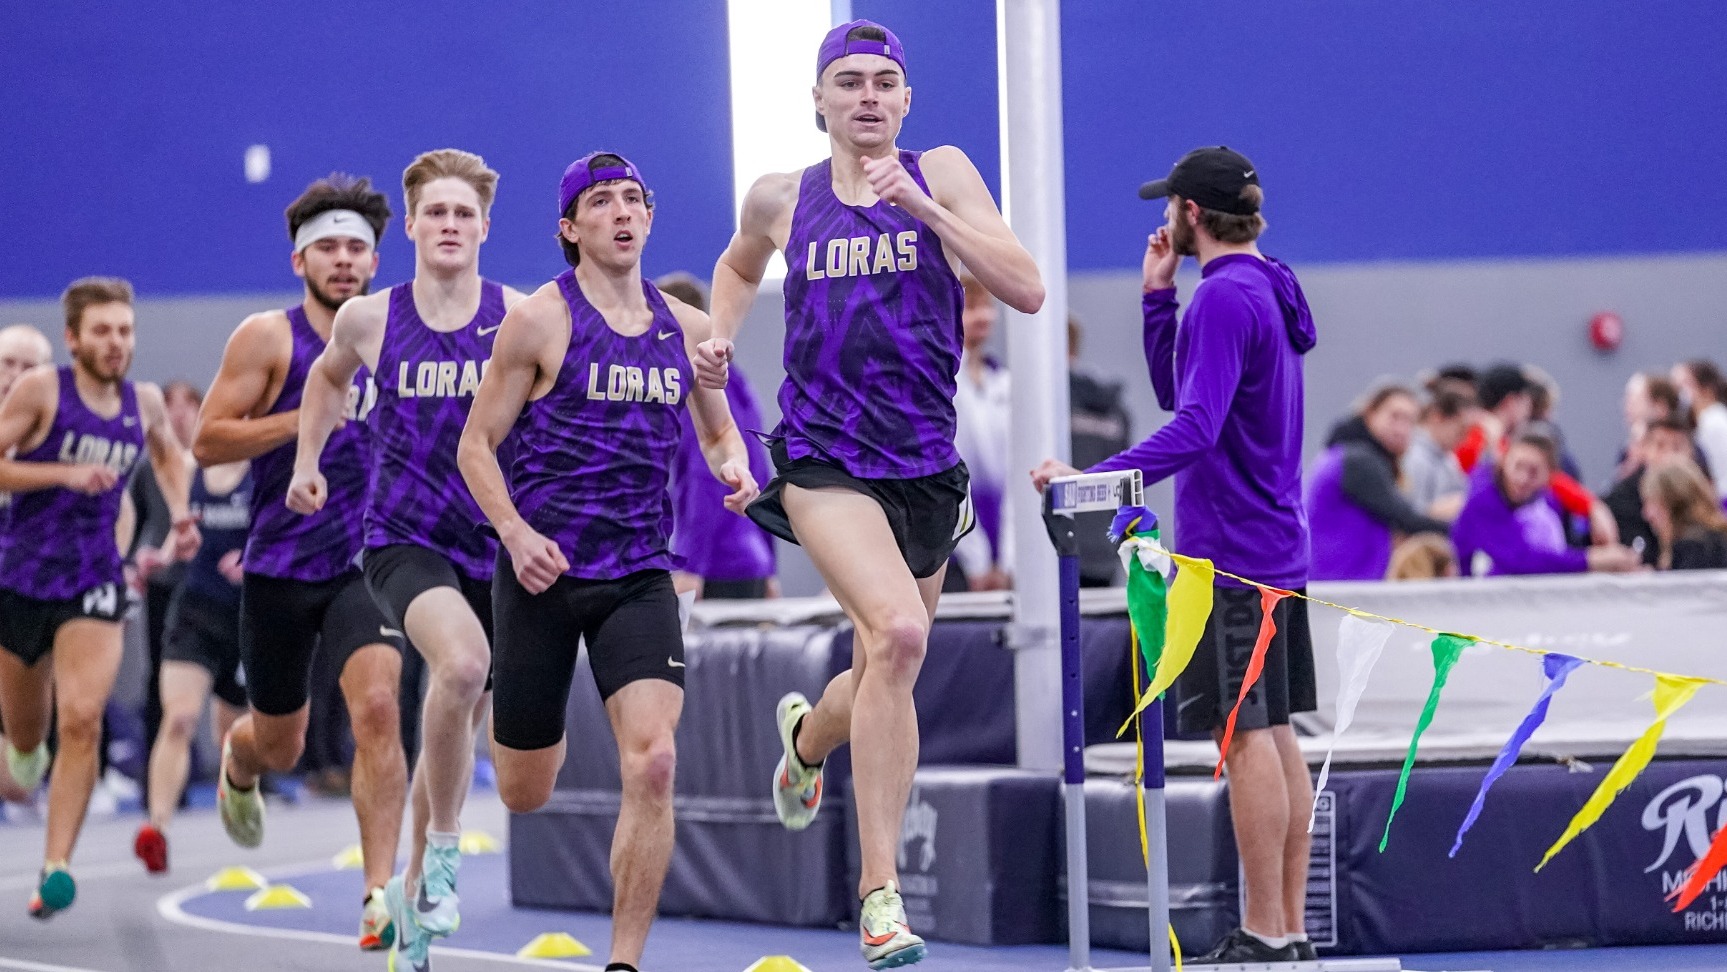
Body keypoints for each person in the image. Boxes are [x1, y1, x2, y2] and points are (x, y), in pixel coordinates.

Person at [695, 20, 1043, 969]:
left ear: (905, 100)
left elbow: (1025, 288)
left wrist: (926, 212)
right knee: (897, 634)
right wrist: (717, 345)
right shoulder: (781, 196)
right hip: (822, 462)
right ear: (818, 100)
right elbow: (734, 266)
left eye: (885, 82)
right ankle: (880, 893)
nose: (867, 97)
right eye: (847, 82)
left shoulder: (945, 173)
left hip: (922, 465)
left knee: (884, 667)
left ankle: (807, 741)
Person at [459, 152, 758, 972]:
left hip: (637, 576)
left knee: (654, 759)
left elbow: (718, 430)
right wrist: (516, 535)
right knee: (525, 791)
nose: (622, 213)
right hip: (541, 576)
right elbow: (475, 445)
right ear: (570, 227)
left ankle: (623, 961)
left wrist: (735, 469)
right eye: (601, 202)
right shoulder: (538, 322)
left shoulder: (688, 330)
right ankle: (483, 706)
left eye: (633, 199)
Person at [1034, 146, 1319, 964]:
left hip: (1230, 548)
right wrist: (1156, 297)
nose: (1161, 221)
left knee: (1244, 738)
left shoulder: (1225, 298)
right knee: (1274, 731)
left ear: (1190, 214)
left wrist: (1092, 482)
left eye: (1170, 209)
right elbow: (1184, 395)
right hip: (1271, 542)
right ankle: (1288, 930)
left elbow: (1192, 428)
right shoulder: (1265, 284)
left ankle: (1266, 933)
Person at [290, 149, 525, 972]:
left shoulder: (519, 317)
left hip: (496, 543)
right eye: (437, 213)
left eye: (465, 214)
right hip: (403, 538)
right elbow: (324, 383)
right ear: (415, 225)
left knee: (458, 718)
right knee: (460, 669)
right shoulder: (371, 318)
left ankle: (416, 898)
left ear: (485, 227)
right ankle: (448, 853)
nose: (451, 226)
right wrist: (306, 463)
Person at [194, 174, 407, 948]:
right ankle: (240, 761)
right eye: (328, 248)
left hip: (367, 561)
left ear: (376, 261)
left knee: (378, 709)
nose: (343, 260)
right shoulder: (267, 338)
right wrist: (306, 416)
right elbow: (208, 440)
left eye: (357, 248)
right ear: (299, 261)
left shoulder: (397, 331)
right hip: (281, 565)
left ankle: (379, 894)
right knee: (280, 742)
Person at [0, 277, 200, 918]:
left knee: (82, 720)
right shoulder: (41, 391)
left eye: (125, 331)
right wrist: (63, 473)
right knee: (28, 736)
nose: (116, 343)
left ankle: (56, 866)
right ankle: (25, 753)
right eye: (103, 331)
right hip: (23, 580)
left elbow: (169, 457)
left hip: (94, 580)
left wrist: (180, 514)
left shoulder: (143, 402)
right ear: (74, 338)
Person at [134, 457, 251, 873]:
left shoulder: (270, 464)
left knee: (234, 741)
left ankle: (240, 790)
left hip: (248, 616)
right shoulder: (189, 468)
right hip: (196, 611)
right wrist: (161, 557)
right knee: (180, 718)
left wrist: (252, 558)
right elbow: (178, 528)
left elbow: (290, 529)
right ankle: (157, 828)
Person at [655, 272, 777, 600]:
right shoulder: (736, 383)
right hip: (750, 559)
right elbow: (760, 474)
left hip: (714, 566)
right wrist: (769, 564)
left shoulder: (697, 391)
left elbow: (707, 481)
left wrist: (691, 566)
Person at [1306, 384, 1449, 581]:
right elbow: (1406, 519)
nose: (1401, 429)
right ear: (1370, 413)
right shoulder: (1358, 460)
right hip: (1340, 588)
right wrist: (1462, 529)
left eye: (1410, 421)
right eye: (1395, 416)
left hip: (1337, 585)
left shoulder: (1344, 452)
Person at [130, 380, 202, 770]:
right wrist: (131, 564)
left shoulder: (215, 461)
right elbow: (132, 520)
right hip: (165, 585)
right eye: (169, 406)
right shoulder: (147, 469)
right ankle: (155, 770)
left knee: (231, 681)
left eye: (187, 405)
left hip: (213, 585)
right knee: (161, 677)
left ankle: (247, 771)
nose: (177, 413)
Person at [1451, 430, 1639, 577]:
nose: (1522, 479)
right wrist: (1592, 559)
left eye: (1533, 471)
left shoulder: (1545, 502)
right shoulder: (1482, 500)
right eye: (1518, 467)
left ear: (1549, 476)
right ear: (1504, 461)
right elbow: (1519, 560)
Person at [0, 324, 55, 808]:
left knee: (20, 769)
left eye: (28, 367)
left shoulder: (58, 434)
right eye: (7, 364)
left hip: (31, 588)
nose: (15, 376)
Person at [950, 274, 1012, 591]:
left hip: (999, 535)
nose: (983, 316)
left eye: (987, 307)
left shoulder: (1004, 382)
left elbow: (1017, 473)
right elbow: (949, 470)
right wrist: (976, 559)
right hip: (950, 542)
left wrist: (1008, 559)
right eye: (971, 308)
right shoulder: (941, 383)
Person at [1068, 314, 1132, 587]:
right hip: (1106, 548)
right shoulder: (1115, 410)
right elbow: (1129, 485)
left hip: (1058, 546)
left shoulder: (1045, 410)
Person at [1603, 417, 1694, 565]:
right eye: (1660, 446)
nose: (1669, 455)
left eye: (1677, 447)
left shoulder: (1701, 500)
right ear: (1645, 450)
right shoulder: (1619, 502)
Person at [1400, 386, 1473, 521]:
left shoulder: (1449, 459)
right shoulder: (1414, 458)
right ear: (1438, 418)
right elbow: (1408, 517)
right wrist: (1439, 510)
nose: (1464, 437)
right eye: (1461, 428)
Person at [1642, 455, 1727, 570]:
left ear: (1672, 503)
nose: (1647, 514)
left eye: (1651, 502)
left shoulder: (1693, 550)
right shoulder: (1717, 540)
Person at [1672, 359, 1727, 499]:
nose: (1679, 395)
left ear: (1707, 389)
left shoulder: (1713, 420)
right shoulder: (1704, 421)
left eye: (1683, 386)